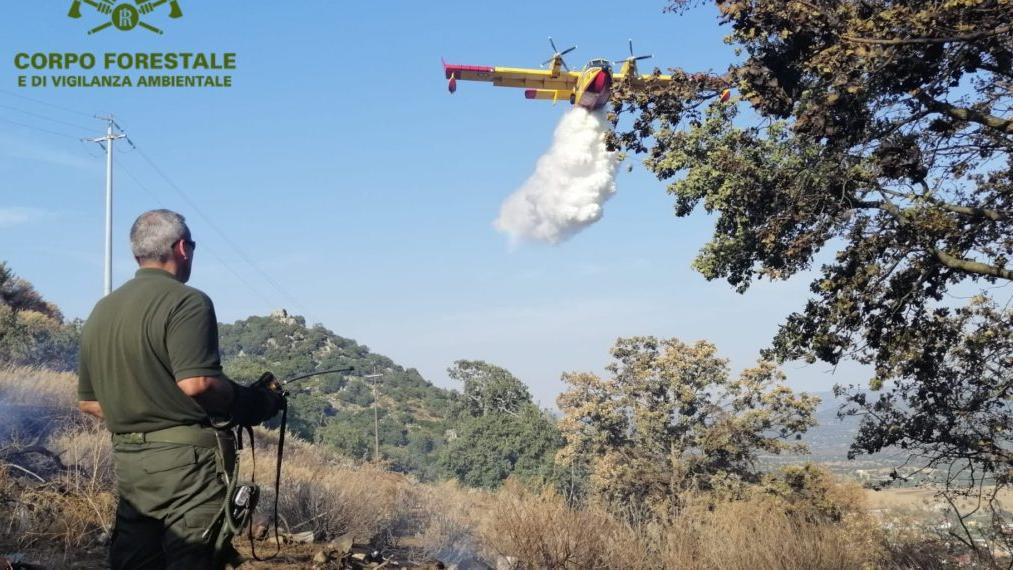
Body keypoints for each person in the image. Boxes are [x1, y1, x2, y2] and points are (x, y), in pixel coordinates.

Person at [77, 209, 283, 569]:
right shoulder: (187, 301)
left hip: (130, 462)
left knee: (136, 561)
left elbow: (90, 402)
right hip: (189, 469)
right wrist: (252, 402)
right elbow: (197, 383)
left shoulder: (101, 310)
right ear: (182, 248)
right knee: (194, 558)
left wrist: (145, 416)